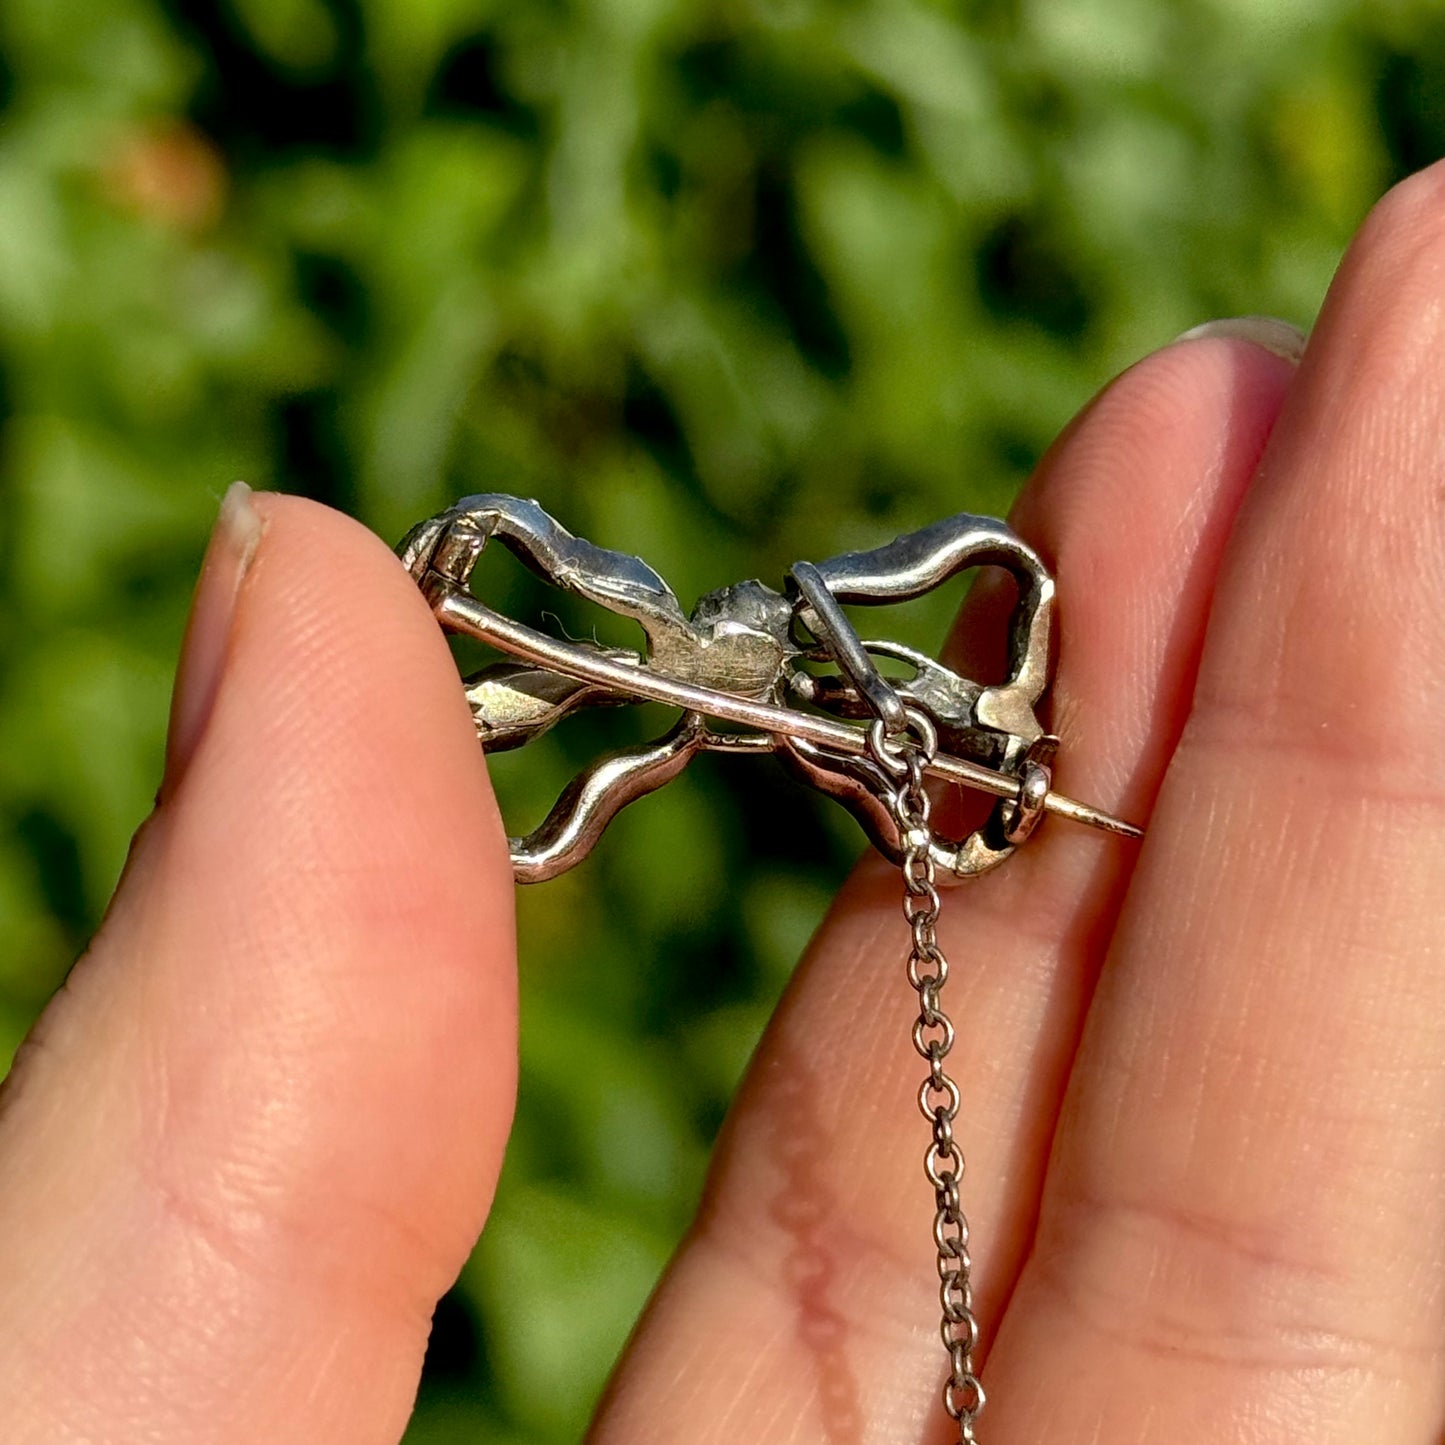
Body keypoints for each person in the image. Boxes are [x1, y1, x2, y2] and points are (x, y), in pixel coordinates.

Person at [2, 159, 1442, 1445]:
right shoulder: (747, 669)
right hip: (759, 681)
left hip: (816, 714)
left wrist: (865, 702)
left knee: (635, 719)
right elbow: (844, 598)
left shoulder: (855, 727)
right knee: (611, 691)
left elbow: (910, 587)